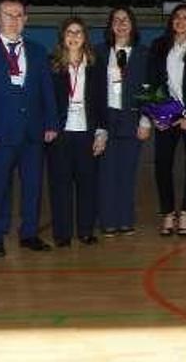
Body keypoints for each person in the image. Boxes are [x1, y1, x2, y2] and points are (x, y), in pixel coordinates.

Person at [0, 0, 57, 257]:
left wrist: (51, 123)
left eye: (19, 15)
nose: (14, 20)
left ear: (26, 19)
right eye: (8, 15)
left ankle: (29, 233)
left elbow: (47, 91)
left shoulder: (36, 51)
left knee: (33, 187)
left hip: (33, 133)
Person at [147, 4, 186, 235]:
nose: (180, 21)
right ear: (171, 21)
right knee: (162, 164)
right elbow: (152, 82)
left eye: (185, 18)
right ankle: (167, 214)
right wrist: (158, 113)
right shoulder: (159, 46)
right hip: (167, 111)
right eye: (177, 17)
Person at [47, 17, 106, 248]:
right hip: (59, 133)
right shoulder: (51, 63)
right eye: (69, 32)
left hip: (87, 133)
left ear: (85, 37)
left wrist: (101, 132)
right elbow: (44, 100)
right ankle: (62, 233)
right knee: (59, 184)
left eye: (78, 32)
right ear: (63, 36)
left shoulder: (95, 64)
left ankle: (85, 230)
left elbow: (102, 100)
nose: (74, 36)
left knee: (87, 184)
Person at [97, 6, 150, 237]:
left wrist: (146, 121)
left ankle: (126, 219)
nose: (120, 24)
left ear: (132, 24)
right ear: (110, 26)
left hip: (132, 118)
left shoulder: (143, 54)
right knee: (107, 173)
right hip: (106, 117)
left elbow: (150, 90)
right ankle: (108, 221)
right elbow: (93, 90)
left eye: (125, 19)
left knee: (127, 173)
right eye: (116, 20)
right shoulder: (98, 52)